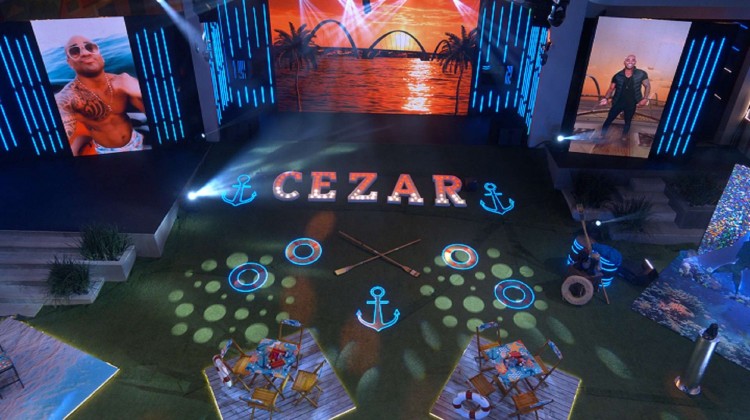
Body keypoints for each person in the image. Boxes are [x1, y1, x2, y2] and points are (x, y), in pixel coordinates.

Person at [55, 35, 146, 156]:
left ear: (100, 55)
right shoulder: (68, 98)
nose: (85, 53)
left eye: (89, 47)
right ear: (69, 62)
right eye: (74, 51)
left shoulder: (124, 81)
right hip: (107, 151)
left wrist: (141, 91)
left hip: (135, 139)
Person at [598, 54, 651, 143]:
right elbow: (611, 89)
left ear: (635, 62)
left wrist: (645, 99)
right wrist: (606, 98)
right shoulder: (617, 75)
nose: (630, 62)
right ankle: (602, 135)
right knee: (609, 118)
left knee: (628, 121)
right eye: (628, 60)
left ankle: (623, 137)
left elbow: (647, 86)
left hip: (631, 103)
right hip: (618, 102)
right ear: (624, 62)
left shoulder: (641, 73)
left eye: (632, 60)